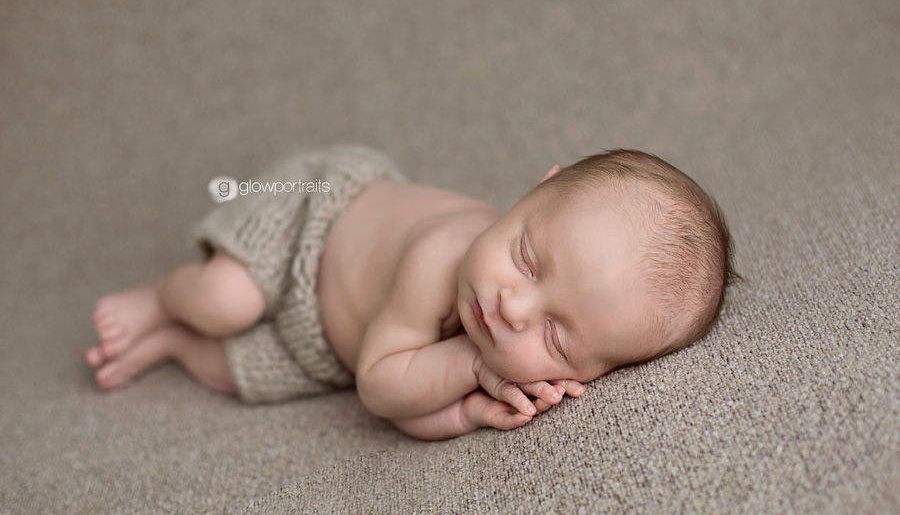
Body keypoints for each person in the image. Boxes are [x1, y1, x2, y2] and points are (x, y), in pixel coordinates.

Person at [85, 145, 738, 440]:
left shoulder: (498, 336)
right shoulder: (444, 255)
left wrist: (466, 412)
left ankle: (170, 344)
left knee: (229, 373)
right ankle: (165, 301)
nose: (514, 306)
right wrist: (475, 368)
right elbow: (379, 384)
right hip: (313, 218)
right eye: (528, 258)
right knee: (226, 301)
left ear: (588, 373)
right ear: (535, 189)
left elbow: (401, 411)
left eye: (556, 334)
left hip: (322, 341)